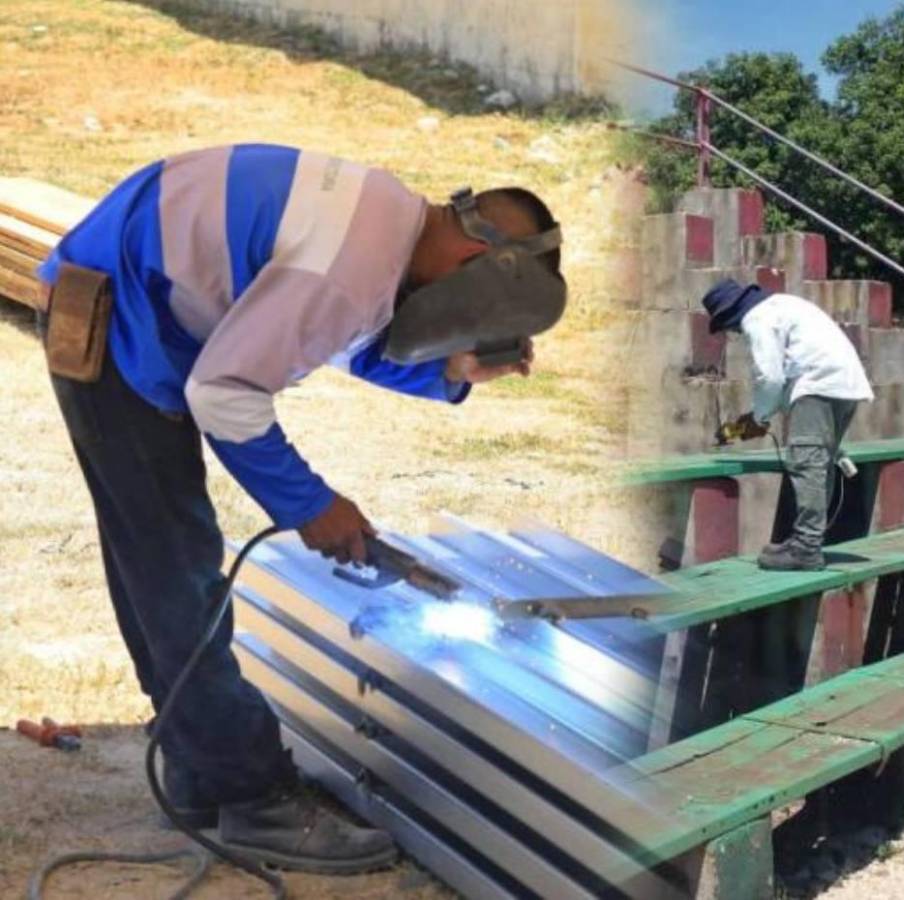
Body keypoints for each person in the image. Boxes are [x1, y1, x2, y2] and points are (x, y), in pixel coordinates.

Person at [37, 144, 562, 871]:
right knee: (175, 571)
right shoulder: (351, 269)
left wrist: (449, 372)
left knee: (164, 565)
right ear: (479, 253)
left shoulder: (387, 220)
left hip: (138, 293)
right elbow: (225, 393)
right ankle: (254, 800)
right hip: (116, 311)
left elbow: (335, 337)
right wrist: (312, 505)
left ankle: (198, 768)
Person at [702, 279, 874, 571]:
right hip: (845, 385)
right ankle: (806, 541)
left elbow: (770, 378)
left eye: (729, 327)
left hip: (818, 385)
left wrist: (758, 418)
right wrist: (760, 415)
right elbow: (786, 379)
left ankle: (806, 547)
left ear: (731, 316)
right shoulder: (783, 306)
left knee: (806, 463)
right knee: (820, 463)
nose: (733, 333)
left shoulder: (757, 319)